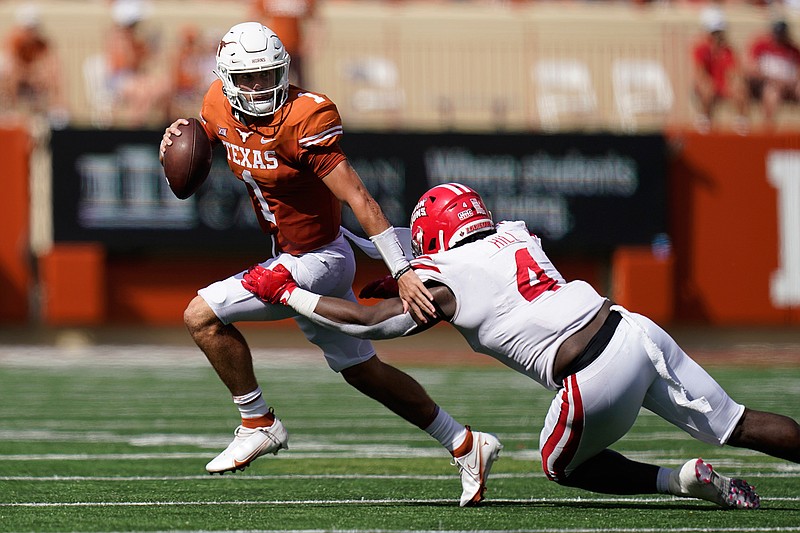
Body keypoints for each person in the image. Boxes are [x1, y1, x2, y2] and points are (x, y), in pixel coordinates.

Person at [243, 182, 800, 510]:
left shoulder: (449, 273)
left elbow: (369, 325)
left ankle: (680, 482)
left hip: (590, 373)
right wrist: (411, 277)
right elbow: (479, 279)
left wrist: (289, 291)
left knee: (564, 468)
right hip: (635, 330)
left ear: (434, 232)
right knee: (742, 422)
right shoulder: (515, 232)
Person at [158, 23, 501, 507]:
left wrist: (402, 270)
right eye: (249, 79)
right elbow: (207, 138)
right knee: (363, 371)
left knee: (201, 315)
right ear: (228, 80)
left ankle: (258, 421)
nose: (259, 88)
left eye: (269, 75)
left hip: (319, 259)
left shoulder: (305, 116)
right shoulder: (215, 103)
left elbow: (357, 195)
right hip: (291, 253)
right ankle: (466, 444)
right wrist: (177, 136)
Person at [0, 4, 69, 126]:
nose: (29, 35)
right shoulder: (9, 53)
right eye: (26, 30)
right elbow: (9, 88)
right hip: (15, 110)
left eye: (33, 30)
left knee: (61, 117)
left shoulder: (46, 51)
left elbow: (55, 87)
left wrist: (36, 75)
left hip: (40, 109)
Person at [105, 0, 169, 126]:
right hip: (118, 79)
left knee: (163, 85)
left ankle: (157, 127)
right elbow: (122, 66)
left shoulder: (135, 38)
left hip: (133, 78)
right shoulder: (118, 37)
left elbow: (144, 64)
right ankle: (134, 129)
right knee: (141, 93)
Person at [690, 7, 749, 134]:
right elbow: (700, 73)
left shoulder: (727, 50)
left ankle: (741, 124)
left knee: (740, 90)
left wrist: (736, 83)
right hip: (706, 85)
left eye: (719, 32)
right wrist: (709, 84)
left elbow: (733, 71)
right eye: (714, 32)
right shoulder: (701, 48)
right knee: (707, 89)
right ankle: (704, 121)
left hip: (723, 85)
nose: (717, 35)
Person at [745, 19, 800, 129]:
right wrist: (774, 81)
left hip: (789, 85)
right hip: (767, 84)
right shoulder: (761, 45)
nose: (779, 37)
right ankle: (768, 127)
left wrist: (792, 83)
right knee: (772, 92)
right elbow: (752, 69)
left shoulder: (793, 49)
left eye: (781, 34)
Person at [250, 0, 316, 87]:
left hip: (296, 47)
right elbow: (255, 19)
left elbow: (314, 20)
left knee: (301, 82)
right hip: (274, 48)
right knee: (275, 80)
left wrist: (311, 42)